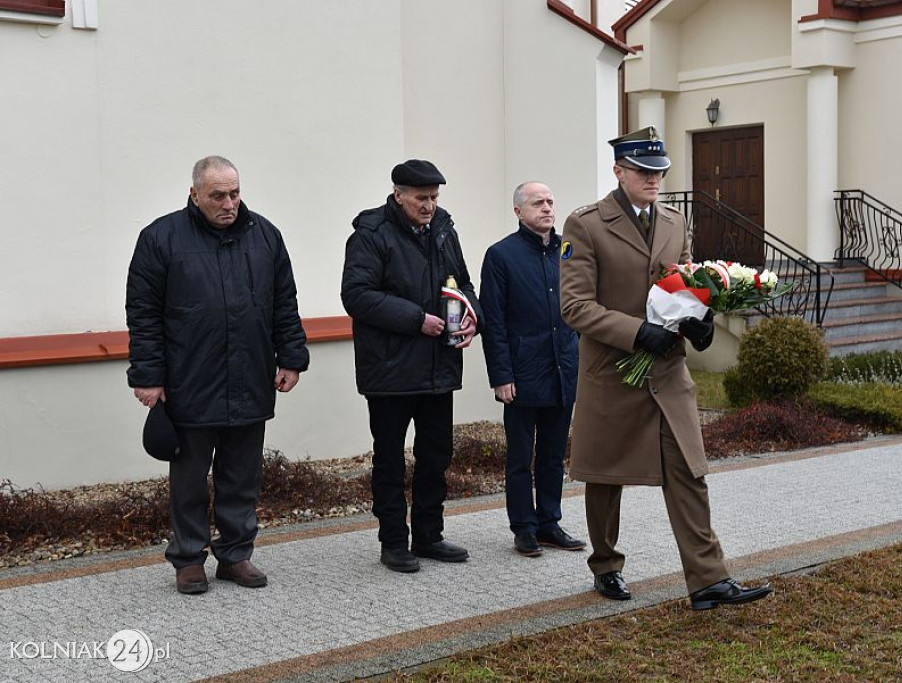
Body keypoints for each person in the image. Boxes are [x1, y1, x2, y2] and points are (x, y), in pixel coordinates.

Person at [559, 127, 772, 609]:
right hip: (614, 372)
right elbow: (574, 307)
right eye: (643, 171)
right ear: (619, 172)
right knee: (606, 477)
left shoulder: (674, 222)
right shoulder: (586, 224)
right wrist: (637, 332)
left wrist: (701, 321)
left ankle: (709, 580)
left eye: (659, 172)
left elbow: (685, 284)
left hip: (667, 372)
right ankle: (606, 566)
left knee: (690, 472)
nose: (654, 179)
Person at [126, 155, 309, 595]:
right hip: (189, 380)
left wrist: (291, 357)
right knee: (189, 478)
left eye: (235, 193)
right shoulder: (160, 238)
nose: (229, 203)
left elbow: (284, 302)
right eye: (217, 195)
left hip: (250, 376)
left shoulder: (265, 236)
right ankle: (189, 558)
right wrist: (148, 375)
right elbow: (143, 314)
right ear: (194, 194)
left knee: (241, 475)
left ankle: (236, 555)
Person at [342, 159, 482, 573]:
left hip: (439, 366)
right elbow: (357, 295)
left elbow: (465, 285)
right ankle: (393, 542)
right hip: (390, 371)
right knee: (390, 460)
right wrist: (416, 319)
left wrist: (474, 316)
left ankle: (428, 535)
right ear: (398, 195)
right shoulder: (370, 235)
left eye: (435, 198)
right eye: (421, 198)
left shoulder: (443, 230)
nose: (429, 206)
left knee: (436, 454)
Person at [480, 182, 584, 557]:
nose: (547, 208)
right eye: (538, 202)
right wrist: (501, 376)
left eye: (551, 201)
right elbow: (493, 321)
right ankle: (523, 527)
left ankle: (549, 521)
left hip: (563, 370)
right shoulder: (501, 256)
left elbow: (582, 307)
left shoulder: (569, 252)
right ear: (518, 211)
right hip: (522, 374)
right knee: (521, 457)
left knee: (555, 454)